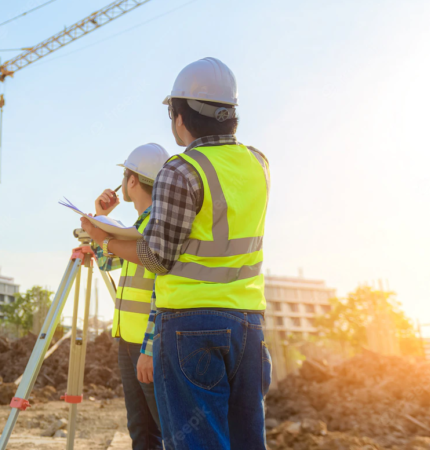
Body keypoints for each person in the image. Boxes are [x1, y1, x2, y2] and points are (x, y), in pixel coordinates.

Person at [80, 57, 271, 450]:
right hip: (248, 324)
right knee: (245, 439)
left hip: (191, 326)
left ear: (179, 116)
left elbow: (157, 259)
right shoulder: (258, 163)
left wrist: (106, 239)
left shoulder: (183, 170)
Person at [83, 143, 169, 450]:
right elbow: (107, 260)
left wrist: (149, 347)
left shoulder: (156, 228)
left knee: (165, 428)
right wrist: (102, 217)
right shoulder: (137, 227)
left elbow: (164, 290)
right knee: (141, 430)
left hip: (148, 346)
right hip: (129, 342)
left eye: (125, 175)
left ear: (132, 181)